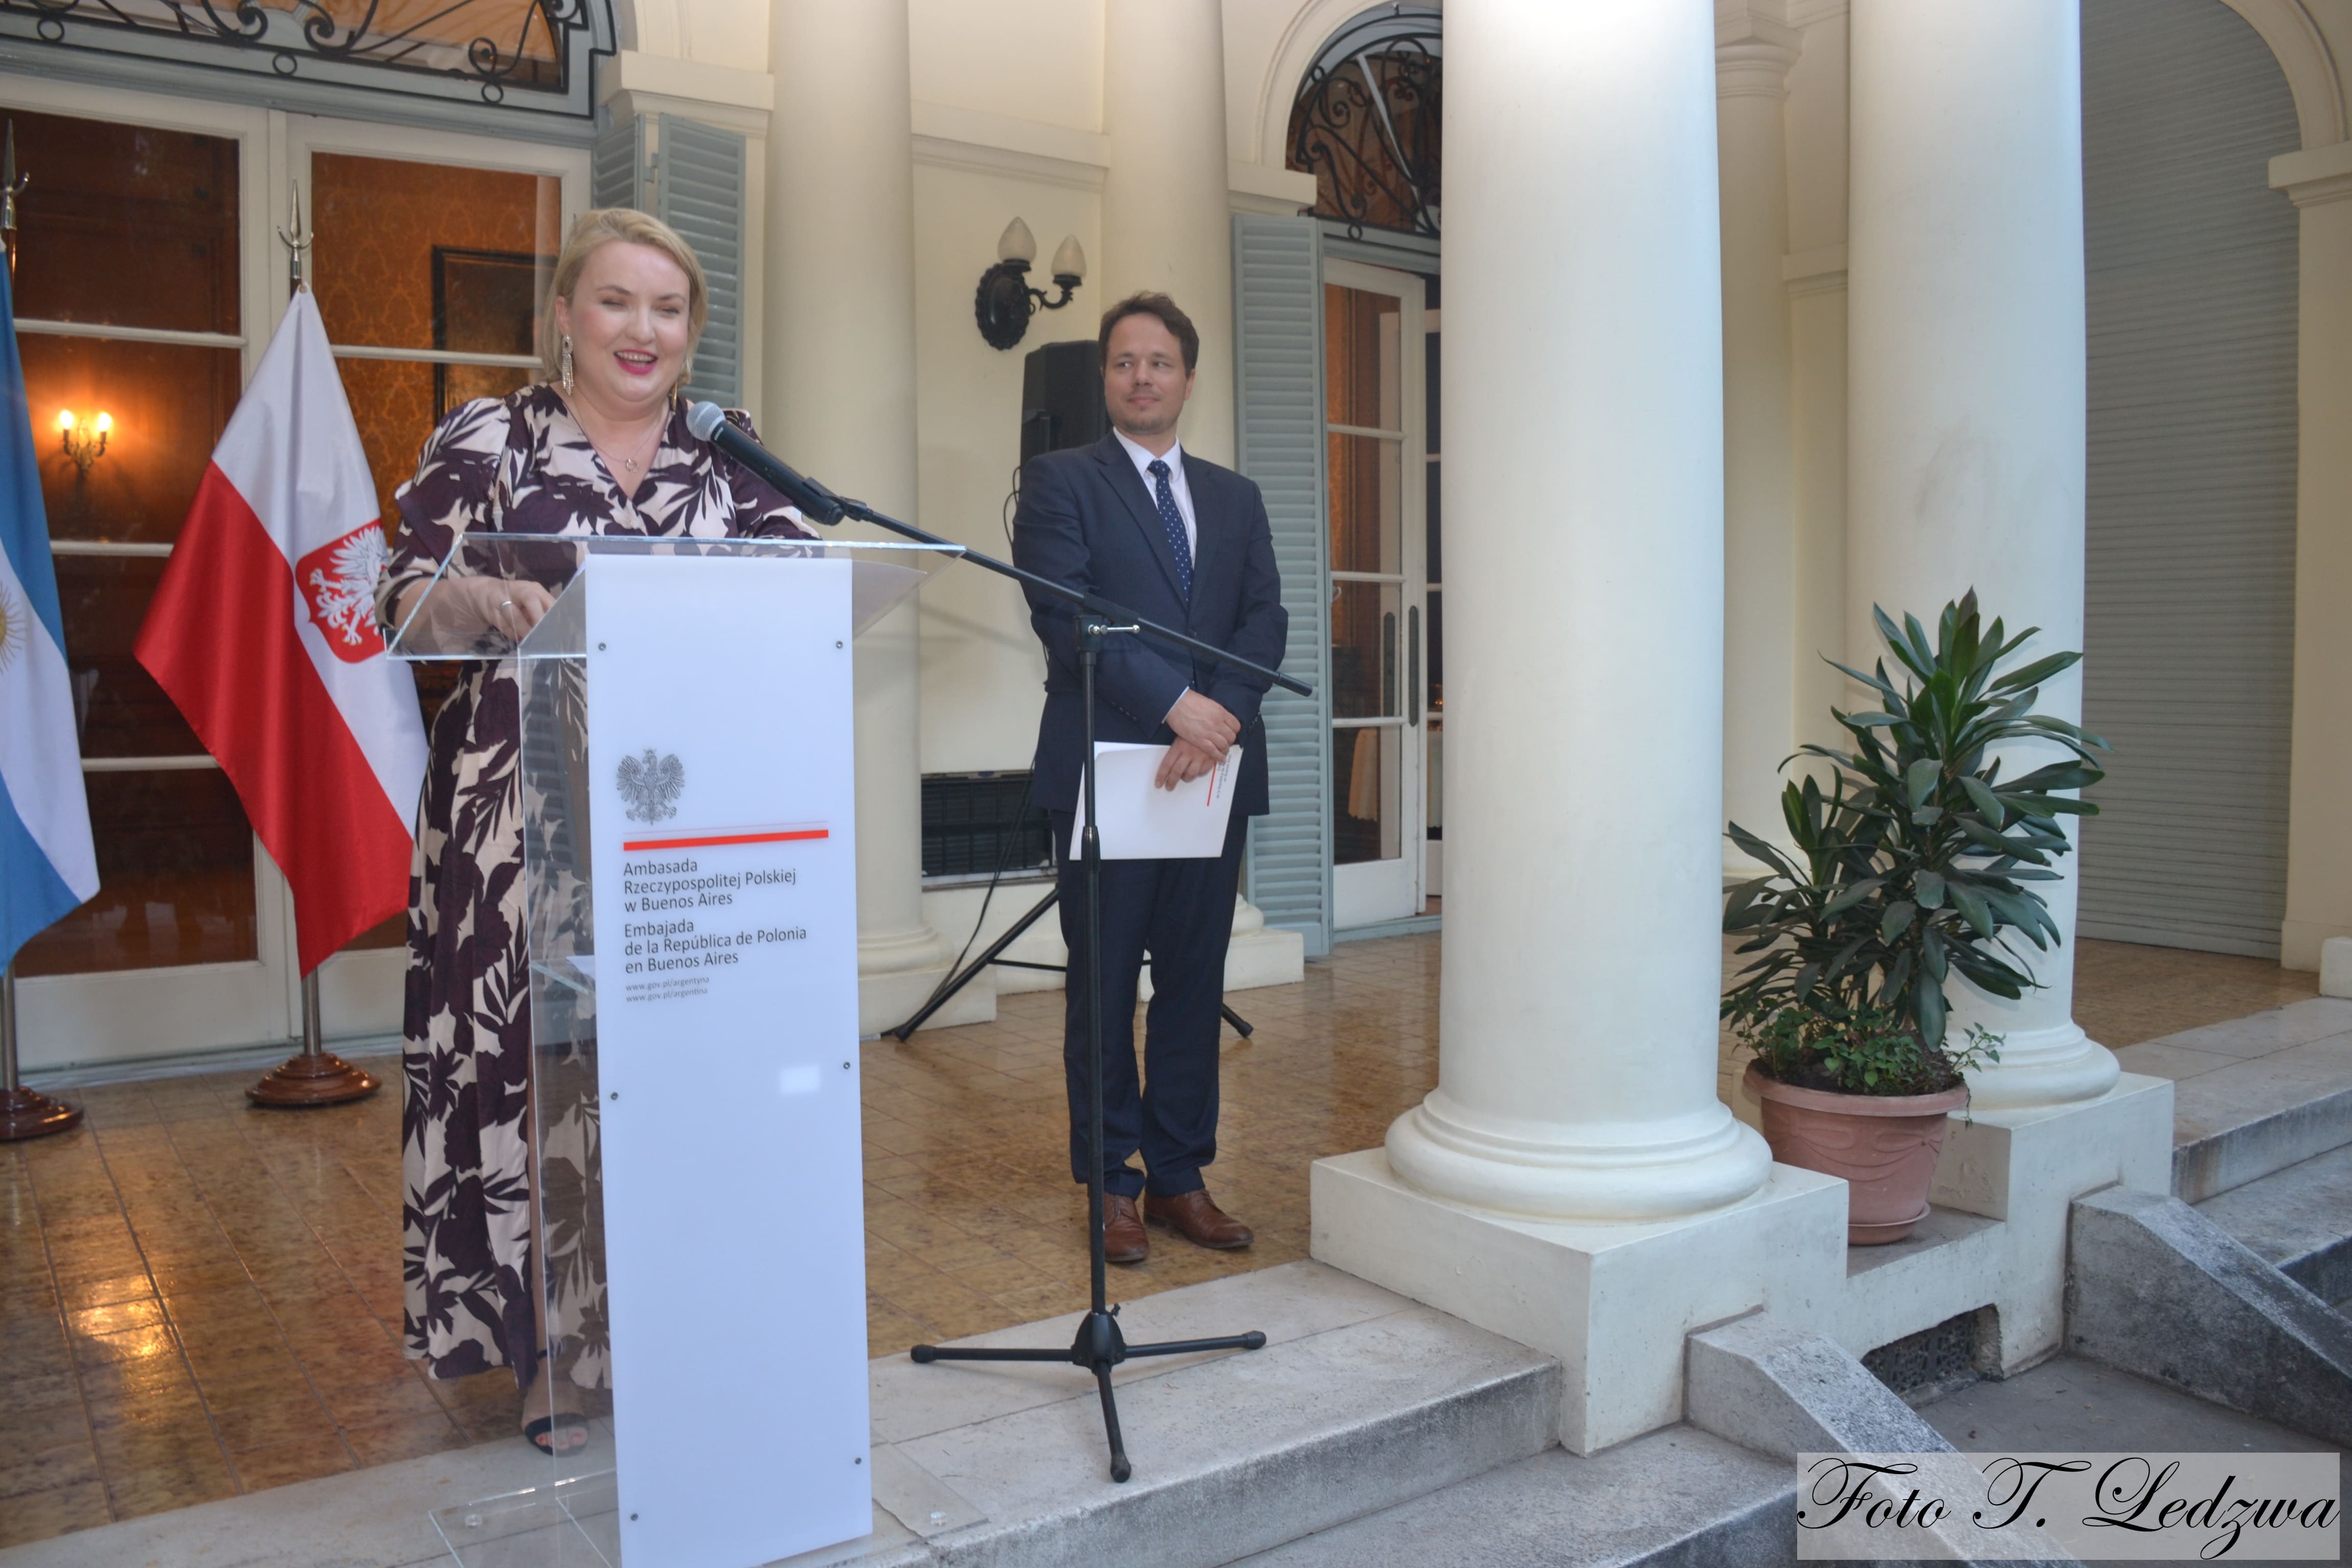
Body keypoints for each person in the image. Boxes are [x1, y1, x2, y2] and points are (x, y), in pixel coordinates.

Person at [374, 208, 812, 1453]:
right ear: (565, 314)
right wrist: (477, 593)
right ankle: (554, 1357)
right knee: (539, 1066)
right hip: (523, 805)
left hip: (687, 809)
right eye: (616, 301)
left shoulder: (726, 452)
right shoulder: (494, 434)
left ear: (692, 331)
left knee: (683, 1068)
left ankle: (684, 1326)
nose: (642, 330)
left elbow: (806, 585)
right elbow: (401, 600)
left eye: (668, 309)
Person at [1010, 292, 1288, 1264]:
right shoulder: (1060, 481)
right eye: (1125, 361)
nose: (1142, 377)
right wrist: (1177, 706)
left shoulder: (1236, 497)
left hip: (1209, 776)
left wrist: (1219, 720)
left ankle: (1178, 1176)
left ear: (1188, 378)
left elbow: (1263, 620)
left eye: (1160, 362)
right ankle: (1113, 1184)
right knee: (1102, 988)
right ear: (1105, 377)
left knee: (1193, 982)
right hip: (1108, 768)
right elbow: (1066, 612)